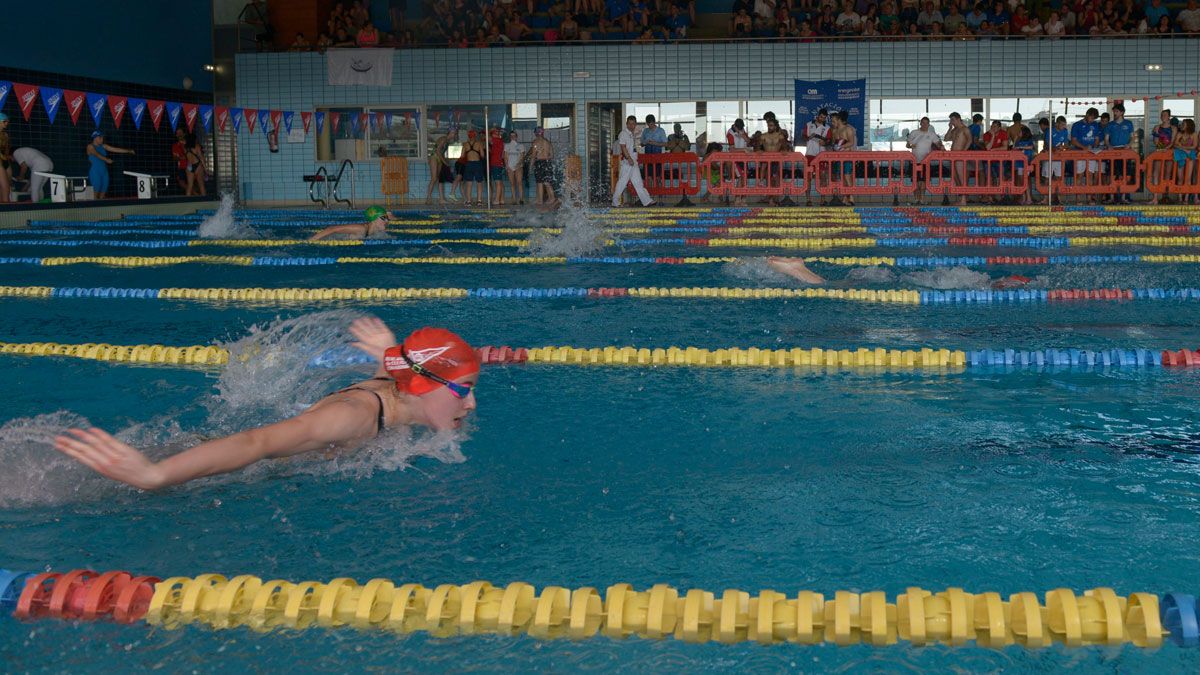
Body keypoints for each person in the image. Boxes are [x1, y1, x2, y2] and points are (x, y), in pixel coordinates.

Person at [53, 318, 480, 491]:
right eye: (463, 389)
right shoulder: (354, 417)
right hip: (197, 466)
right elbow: (256, 443)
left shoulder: (397, 383)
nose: (472, 402)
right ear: (423, 385)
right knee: (85, 488)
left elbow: (393, 369)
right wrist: (154, 473)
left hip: (207, 451)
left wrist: (387, 349)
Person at [613, 115, 656, 207]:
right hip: (627, 162)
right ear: (626, 124)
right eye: (629, 124)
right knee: (622, 182)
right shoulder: (623, 133)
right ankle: (615, 202)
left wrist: (633, 159)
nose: (631, 125)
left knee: (638, 183)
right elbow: (623, 147)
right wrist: (629, 158)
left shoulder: (632, 134)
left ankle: (647, 201)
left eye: (633, 124)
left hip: (633, 162)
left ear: (635, 124)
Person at [86, 131, 134, 200]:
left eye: (102, 138)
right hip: (95, 172)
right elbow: (96, 154)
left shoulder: (103, 146)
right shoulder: (90, 146)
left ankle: (102, 209)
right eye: (100, 138)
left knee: (104, 191)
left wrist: (128, 151)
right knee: (96, 191)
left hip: (104, 171)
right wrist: (106, 160)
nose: (102, 139)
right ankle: (95, 208)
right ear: (95, 138)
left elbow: (115, 149)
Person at [905, 116, 943, 204]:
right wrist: (910, 146)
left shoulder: (931, 134)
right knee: (915, 181)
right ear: (920, 123)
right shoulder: (914, 132)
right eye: (923, 123)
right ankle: (916, 199)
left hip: (926, 161)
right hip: (914, 161)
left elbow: (938, 143)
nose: (925, 125)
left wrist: (941, 147)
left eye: (927, 123)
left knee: (923, 181)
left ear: (929, 124)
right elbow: (907, 145)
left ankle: (921, 199)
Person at [1104, 103, 1135, 204]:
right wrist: (1109, 146)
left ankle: (1124, 197)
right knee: (1112, 175)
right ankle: (1112, 197)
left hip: (1125, 152)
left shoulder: (1128, 123)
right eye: (1114, 111)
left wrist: (1129, 145)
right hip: (1113, 153)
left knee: (1125, 175)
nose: (1114, 113)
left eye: (1116, 111)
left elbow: (1132, 137)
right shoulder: (1110, 125)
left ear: (1122, 112)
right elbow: (1106, 139)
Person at [1070, 107, 1103, 203]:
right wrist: (1083, 148)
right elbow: (1073, 140)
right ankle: (1078, 199)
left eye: (1094, 119)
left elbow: (1097, 138)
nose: (1092, 120)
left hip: (1091, 153)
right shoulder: (1077, 125)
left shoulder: (1095, 125)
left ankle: (1089, 198)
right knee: (1079, 175)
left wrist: (1094, 146)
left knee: (1090, 175)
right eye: (1091, 118)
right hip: (1079, 153)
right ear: (1087, 115)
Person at [309, 205, 390, 240]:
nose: (387, 221)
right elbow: (332, 229)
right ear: (374, 219)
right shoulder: (360, 229)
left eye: (387, 218)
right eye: (384, 218)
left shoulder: (374, 231)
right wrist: (311, 241)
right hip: (327, 240)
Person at [801, 108, 830, 205]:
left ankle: (823, 200)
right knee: (808, 178)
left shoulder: (827, 128)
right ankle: (808, 200)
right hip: (810, 154)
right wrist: (809, 137)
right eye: (821, 117)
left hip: (821, 155)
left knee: (823, 177)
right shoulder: (809, 124)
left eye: (824, 118)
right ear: (818, 115)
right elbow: (803, 136)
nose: (822, 119)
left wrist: (825, 142)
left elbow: (829, 141)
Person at [944, 112, 973, 205]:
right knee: (956, 178)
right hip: (953, 156)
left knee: (961, 178)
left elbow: (969, 140)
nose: (951, 122)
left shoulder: (965, 129)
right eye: (950, 120)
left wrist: (964, 152)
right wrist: (949, 128)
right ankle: (961, 199)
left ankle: (964, 200)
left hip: (960, 157)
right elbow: (946, 138)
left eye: (952, 120)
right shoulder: (955, 130)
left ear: (958, 119)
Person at [829, 111, 858, 206]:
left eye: (833, 121)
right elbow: (833, 143)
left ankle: (851, 197)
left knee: (847, 176)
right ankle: (846, 197)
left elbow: (851, 142)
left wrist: (842, 147)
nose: (832, 123)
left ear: (839, 120)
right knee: (842, 177)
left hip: (846, 157)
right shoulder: (834, 131)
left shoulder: (848, 129)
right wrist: (835, 147)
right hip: (838, 157)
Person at [529, 127, 558, 209]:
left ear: (536, 133)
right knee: (547, 182)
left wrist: (530, 166)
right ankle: (552, 198)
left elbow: (533, 156)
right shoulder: (548, 142)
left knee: (539, 182)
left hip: (539, 163)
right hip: (548, 163)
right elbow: (552, 155)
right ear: (542, 133)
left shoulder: (535, 142)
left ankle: (540, 200)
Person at [1173, 119, 1198, 204]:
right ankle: (1180, 198)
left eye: (1183, 124)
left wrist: (1183, 148)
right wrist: (1185, 150)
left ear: (1188, 125)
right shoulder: (1179, 134)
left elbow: (1194, 146)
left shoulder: (1194, 134)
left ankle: (1186, 198)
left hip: (1190, 157)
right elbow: (1175, 144)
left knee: (1188, 177)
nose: (1181, 125)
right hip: (1180, 156)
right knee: (1180, 177)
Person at [462, 130, 486, 206]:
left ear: (468, 136)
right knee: (479, 183)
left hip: (469, 164)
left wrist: (469, 154)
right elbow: (482, 155)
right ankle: (479, 201)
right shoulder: (479, 144)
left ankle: (469, 201)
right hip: (477, 164)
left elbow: (462, 156)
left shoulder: (465, 144)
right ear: (475, 136)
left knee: (469, 183)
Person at [425, 133, 451, 204]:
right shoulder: (444, 139)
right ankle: (428, 198)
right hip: (434, 157)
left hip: (438, 158)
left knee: (440, 179)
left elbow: (442, 152)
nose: (455, 135)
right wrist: (444, 162)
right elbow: (438, 151)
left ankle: (441, 199)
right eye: (454, 134)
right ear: (451, 133)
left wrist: (444, 160)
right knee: (434, 179)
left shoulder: (447, 141)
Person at [504, 131, 527, 205]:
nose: (513, 137)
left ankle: (521, 199)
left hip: (518, 166)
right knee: (512, 183)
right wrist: (507, 166)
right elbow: (505, 156)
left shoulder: (521, 146)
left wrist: (519, 164)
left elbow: (522, 157)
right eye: (511, 136)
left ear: (516, 137)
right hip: (510, 167)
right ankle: (514, 199)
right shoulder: (507, 145)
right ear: (510, 137)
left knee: (519, 183)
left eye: (514, 136)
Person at [488, 126, 507, 206]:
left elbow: (488, 138)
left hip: (496, 163)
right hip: (499, 163)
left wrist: (490, 130)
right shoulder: (500, 141)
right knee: (500, 182)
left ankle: (497, 200)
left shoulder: (496, 140)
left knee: (497, 182)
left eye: (493, 134)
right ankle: (501, 199)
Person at [171, 128, 189, 192]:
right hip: (181, 167)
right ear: (176, 135)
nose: (179, 134)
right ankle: (195, 194)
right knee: (181, 183)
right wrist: (181, 158)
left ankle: (194, 195)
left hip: (191, 166)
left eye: (180, 133)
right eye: (178, 133)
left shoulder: (189, 143)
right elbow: (174, 158)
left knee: (194, 183)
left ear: (184, 134)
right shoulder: (175, 146)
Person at [0, 113, 11, 203]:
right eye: (4, 121)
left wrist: (7, 159)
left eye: (7, 121)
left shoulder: (5, 135)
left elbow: (6, 149)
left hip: (5, 161)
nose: (7, 123)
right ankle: (6, 212)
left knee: (8, 186)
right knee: (5, 187)